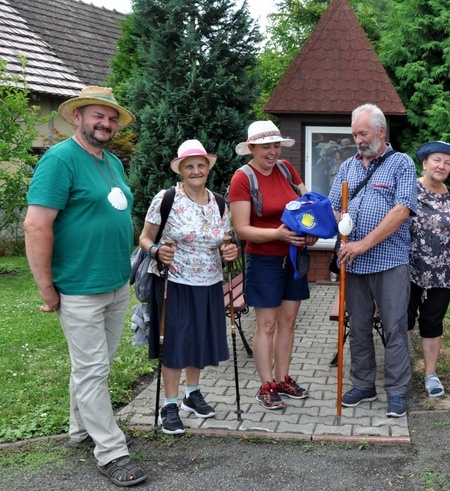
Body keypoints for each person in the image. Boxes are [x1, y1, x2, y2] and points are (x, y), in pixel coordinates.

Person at [24, 86, 147, 486]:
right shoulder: (60, 160)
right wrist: (47, 289)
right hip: (78, 285)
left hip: (115, 282)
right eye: (97, 116)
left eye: (111, 118)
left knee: (96, 366)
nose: (106, 123)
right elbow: (36, 225)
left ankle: (80, 429)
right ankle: (111, 450)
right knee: (94, 369)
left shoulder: (113, 162)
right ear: (76, 117)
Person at [140, 139, 238, 434]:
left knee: (197, 340)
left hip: (208, 282)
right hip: (174, 281)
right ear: (181, 170)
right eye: (189, 166)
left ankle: (191, 395)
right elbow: (145, 237)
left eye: (201, 165)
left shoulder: (220, 202)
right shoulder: (167, 198)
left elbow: (225, 242)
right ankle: (169, 405)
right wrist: (156, 251)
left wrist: (229, 251)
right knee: (174, 342)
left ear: (208, 169)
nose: (196, 170)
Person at [329, 103, 417, 418]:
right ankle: (364, 384)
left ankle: (396, 392)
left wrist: (363, 243)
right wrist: (336, 218)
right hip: (352, 262)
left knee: (394, 327)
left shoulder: (402, 164)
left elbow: (402, 209)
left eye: (362, 133)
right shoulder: (347, 167)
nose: (358, 140)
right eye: (354, 134)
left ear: (380, 131)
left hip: (390, 260)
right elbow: (332, 205)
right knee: (359, 327)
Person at [229, 121, 318, 410]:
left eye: (276, 145)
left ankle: (283, 379)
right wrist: (277, 234)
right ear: (251, 148)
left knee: (288, 322)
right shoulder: (242, 179)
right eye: (266, 146)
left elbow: (308, 207)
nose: (272, 151)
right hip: (264, 259)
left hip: (293, 257)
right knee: (266, 324)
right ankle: (266, 385)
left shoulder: (286, 170)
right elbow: (242, 229)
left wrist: (311, 230)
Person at [408, 141, 450, 398]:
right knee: (403, 322)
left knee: (433, 323)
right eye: (437, 160)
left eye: (447, 162)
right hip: (407, 270)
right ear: (424, 163)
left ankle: (431, 374)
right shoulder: (408, 190)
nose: (442, 166)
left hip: (441, 273)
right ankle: (402, 371)